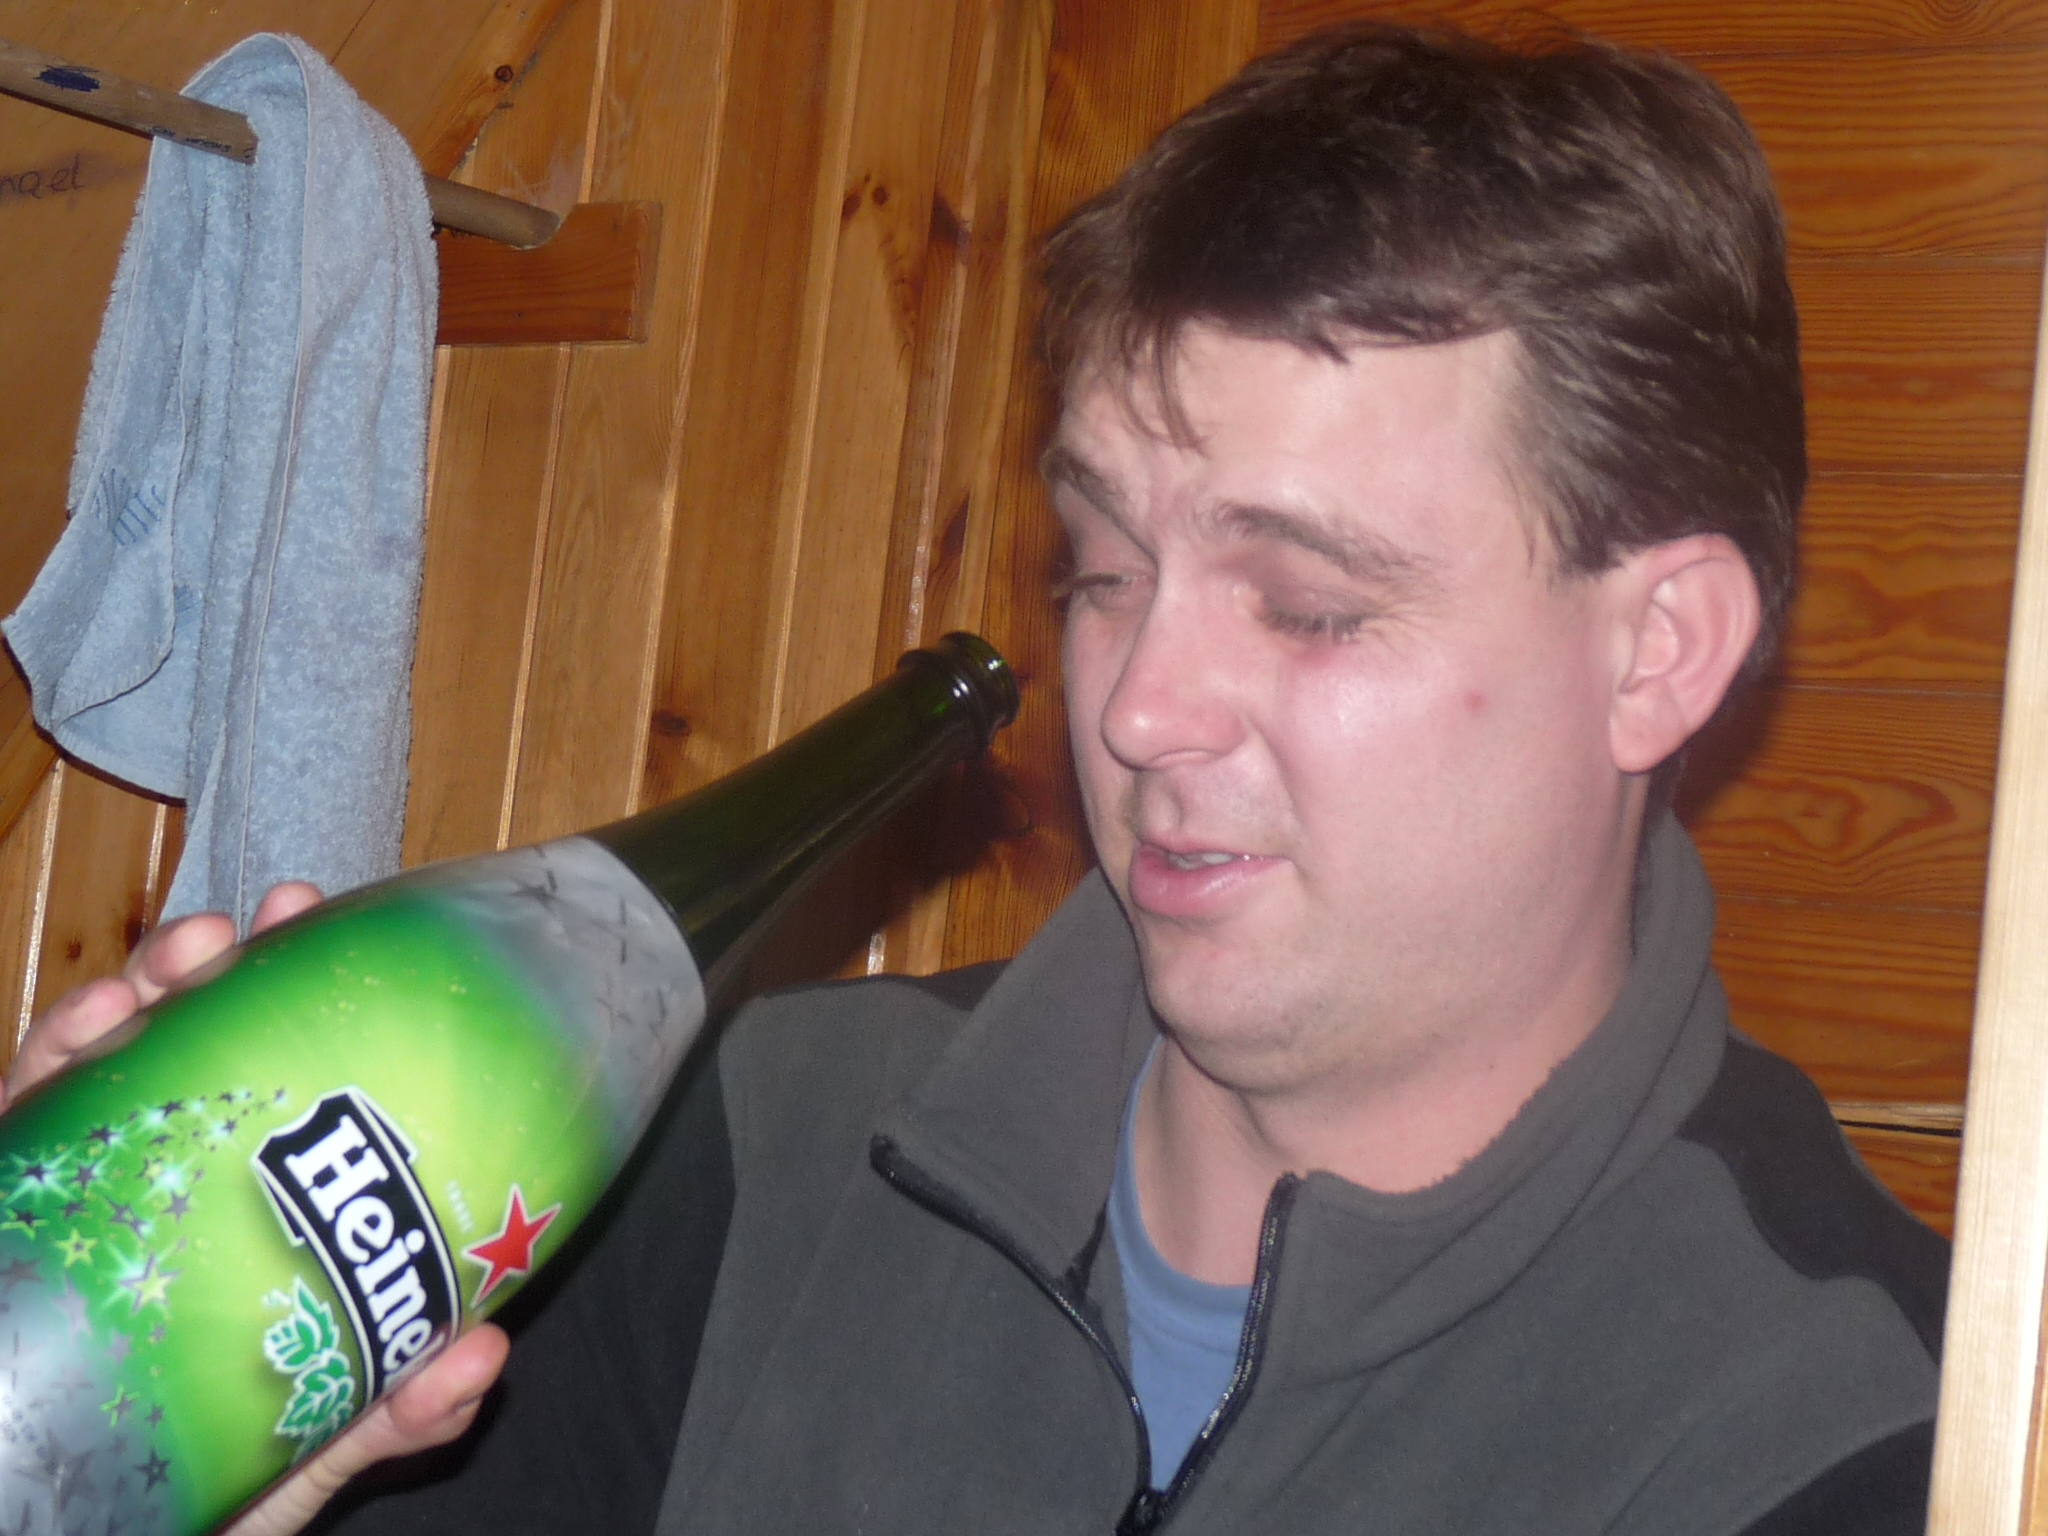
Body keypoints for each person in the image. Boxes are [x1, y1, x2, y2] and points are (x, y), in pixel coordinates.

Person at [16, 21, 1946, 1535]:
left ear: (1658, 649)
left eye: (1309, 604)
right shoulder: (730, 1154)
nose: (1137, 706)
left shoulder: (1861, 1433)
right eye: (1105, 568)